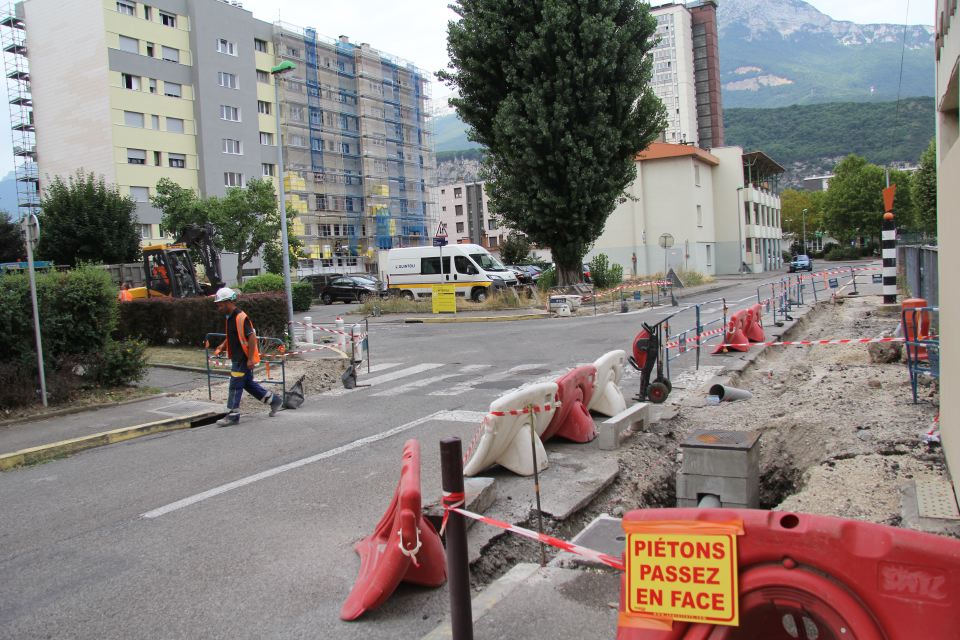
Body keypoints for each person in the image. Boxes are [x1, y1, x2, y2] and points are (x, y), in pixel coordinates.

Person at [211, 287, 282, 426]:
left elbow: (252, 337)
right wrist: (222, 346)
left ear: (227, 302)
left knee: (235, 386)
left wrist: (250, 358)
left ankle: (233, 414)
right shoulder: (230, 318)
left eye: (219, 304)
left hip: (243, 358)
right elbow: (232, 336)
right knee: (248, 384)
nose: (218, 307)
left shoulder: (240, 317)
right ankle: (274, 400)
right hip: (238, 357)